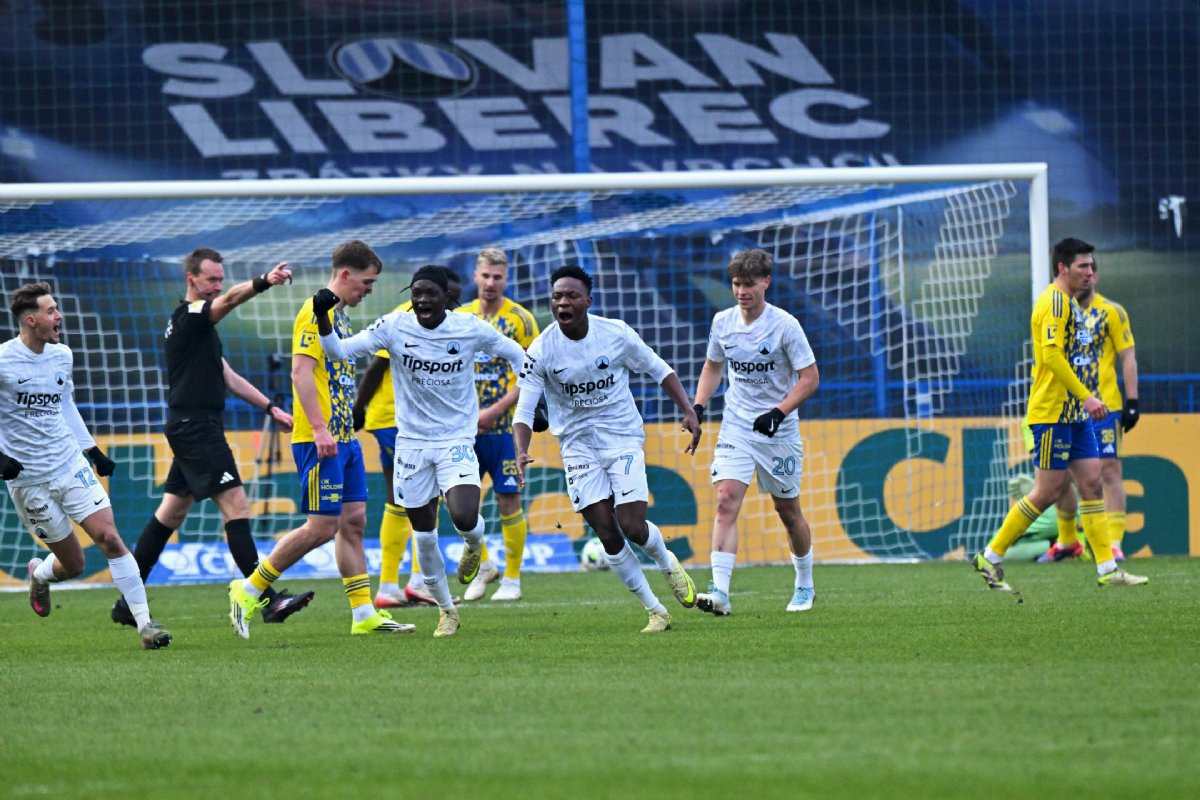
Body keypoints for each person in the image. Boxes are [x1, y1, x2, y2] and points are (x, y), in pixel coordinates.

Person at [315, 264, 528, 638]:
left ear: (447, 297)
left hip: (456, 441)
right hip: (411, 446)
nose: (423, 300)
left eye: (431, 293)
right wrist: (322, 316)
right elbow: (337, 352)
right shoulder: (394, 326)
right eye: (417, 293)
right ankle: (447, 611)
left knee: (464, 516)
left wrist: (531, 403)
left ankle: (474, 543)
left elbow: (518, 355)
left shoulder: (469, 328)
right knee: (425, 536)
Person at [110, 248, 313, 628]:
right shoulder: (190, 316)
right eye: (211, 279)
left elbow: (228, 377)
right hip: (196, 427)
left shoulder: (200, 329)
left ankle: (127, 601)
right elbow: (231, 301)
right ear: (191, 279)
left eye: (221, 279)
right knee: (236, 504)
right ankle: (266, 599)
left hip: (193, 426)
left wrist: (270, 407)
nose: (218, 286)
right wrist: (263, 281)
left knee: (171, 513)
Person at [227, 240, 414, 638]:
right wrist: (318, 428)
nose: (369, 290)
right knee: (321, 527)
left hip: (344, 437)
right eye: (366, 282)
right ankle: (249, 589)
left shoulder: (338, 317)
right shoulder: (315, 314)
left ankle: (363, 614)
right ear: (345, 275)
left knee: (354, 522)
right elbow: (299, 373)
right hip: (321, 438)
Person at [512, 265, 701, 634]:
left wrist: (688, 409)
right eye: (556, 296)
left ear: (587, 301)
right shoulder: (542, 349)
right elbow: (524, 409)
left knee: (632, 525)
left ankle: (667, 563)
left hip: (621, 438)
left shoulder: (615, 334)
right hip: (577, 447)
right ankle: (655, 611)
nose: (562, 302)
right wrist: (521, 449)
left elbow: (660, 369)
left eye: (571, 295)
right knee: (606, 532)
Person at [1, 282, 171, 649]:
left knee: (109, 538)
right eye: (50, 311)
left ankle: (145, 625)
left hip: (68, 463)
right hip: (29, 481)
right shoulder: (3, 361)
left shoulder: (62, 355)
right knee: (74, 565)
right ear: (31, 320)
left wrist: (92, 450)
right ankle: (41, 574)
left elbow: (64, 404)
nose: (59, 316)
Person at [973, 238, 1147, 589]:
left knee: (1092, 483)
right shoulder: (1053, 302)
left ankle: (1107, 569)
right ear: (1062, 268)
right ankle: (990, 556)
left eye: (1092, 266)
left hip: (1075, 414)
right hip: (1053, 413)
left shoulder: (1072, 304)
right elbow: (1052, 356)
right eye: (1083, 266)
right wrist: (1087, 397)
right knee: (1047, 492)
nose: (1090, 272)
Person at [690, 248, 820, 615]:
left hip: (778, 431)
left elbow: (810, 378)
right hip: (737, 425)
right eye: (736, 284)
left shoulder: (785, 326)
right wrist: (698, 407)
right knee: (725, 500)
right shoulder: (723, 322)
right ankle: (720, 592)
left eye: (749, 284)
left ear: (766, 282)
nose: (741, 291)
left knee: (787, 510)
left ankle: (805, 584)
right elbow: (713, 366)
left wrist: (779, 412)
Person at [355, 268, 464, 609]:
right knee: (423, 498)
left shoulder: (445, 322)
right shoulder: (405, 320)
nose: (453, 304)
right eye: (450, 297)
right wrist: (358, 409)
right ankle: (414, 582)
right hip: (395, 420)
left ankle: (395, 586)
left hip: (407, 422)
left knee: (401, 500)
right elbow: (376, 367)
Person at [458, 248, 541, 602]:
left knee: (509, 499)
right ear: (475, 276)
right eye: (486, 276)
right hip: (464, 429)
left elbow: (531, 373)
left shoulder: (521, 320)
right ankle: (486, 565)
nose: (491, 283)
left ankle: (512, 580)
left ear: (506, 279)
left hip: (505, 427)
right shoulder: (460, 317)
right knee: (458, 502)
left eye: (498, 277)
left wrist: (493, 411)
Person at [1075, 264, 1140, 562]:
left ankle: (1114, 542)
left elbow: (1128, 356)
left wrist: (1132, 401)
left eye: (1091, 272)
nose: (1086, 277)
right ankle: (1079, 539)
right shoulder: (1061, 313)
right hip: (1070, 407)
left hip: (1105, 407)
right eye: (1081, 271)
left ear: (1096, 277)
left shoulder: (1112, 311)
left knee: (1109, 470)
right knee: (1071, 477)